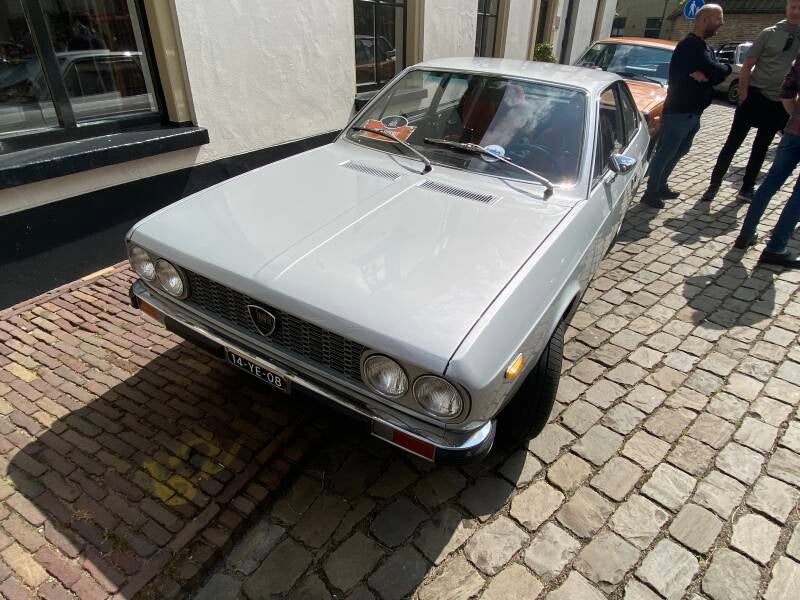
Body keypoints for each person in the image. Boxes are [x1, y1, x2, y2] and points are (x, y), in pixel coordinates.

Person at [702, 0, 800, 203]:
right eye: (793, 6)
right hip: (755, 95)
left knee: (761, 148)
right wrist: (744, 94)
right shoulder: (769, 33)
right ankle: (714, 185)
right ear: (786, 8)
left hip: (778, 102)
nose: (796, 11)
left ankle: (746, 188)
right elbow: (747, 65)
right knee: (733, 143)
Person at [641, 4, 731, 209]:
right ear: (704, 20)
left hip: (693, 112)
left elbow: (717, 73)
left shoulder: (705, 47)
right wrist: (715, 72)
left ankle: (661, 185)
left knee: (680, 150)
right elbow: (715, 71)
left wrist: (712, 74)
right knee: (666, 152)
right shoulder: (690, 46)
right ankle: (651, 192)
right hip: (679, 112)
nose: (722, 23)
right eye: (718, 18)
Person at [733, 50, 800, 268]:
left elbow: (786, 94)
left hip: (794, 129)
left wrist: (795, 116)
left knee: (770, 182)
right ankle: (775, 247)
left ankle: (745, 234)